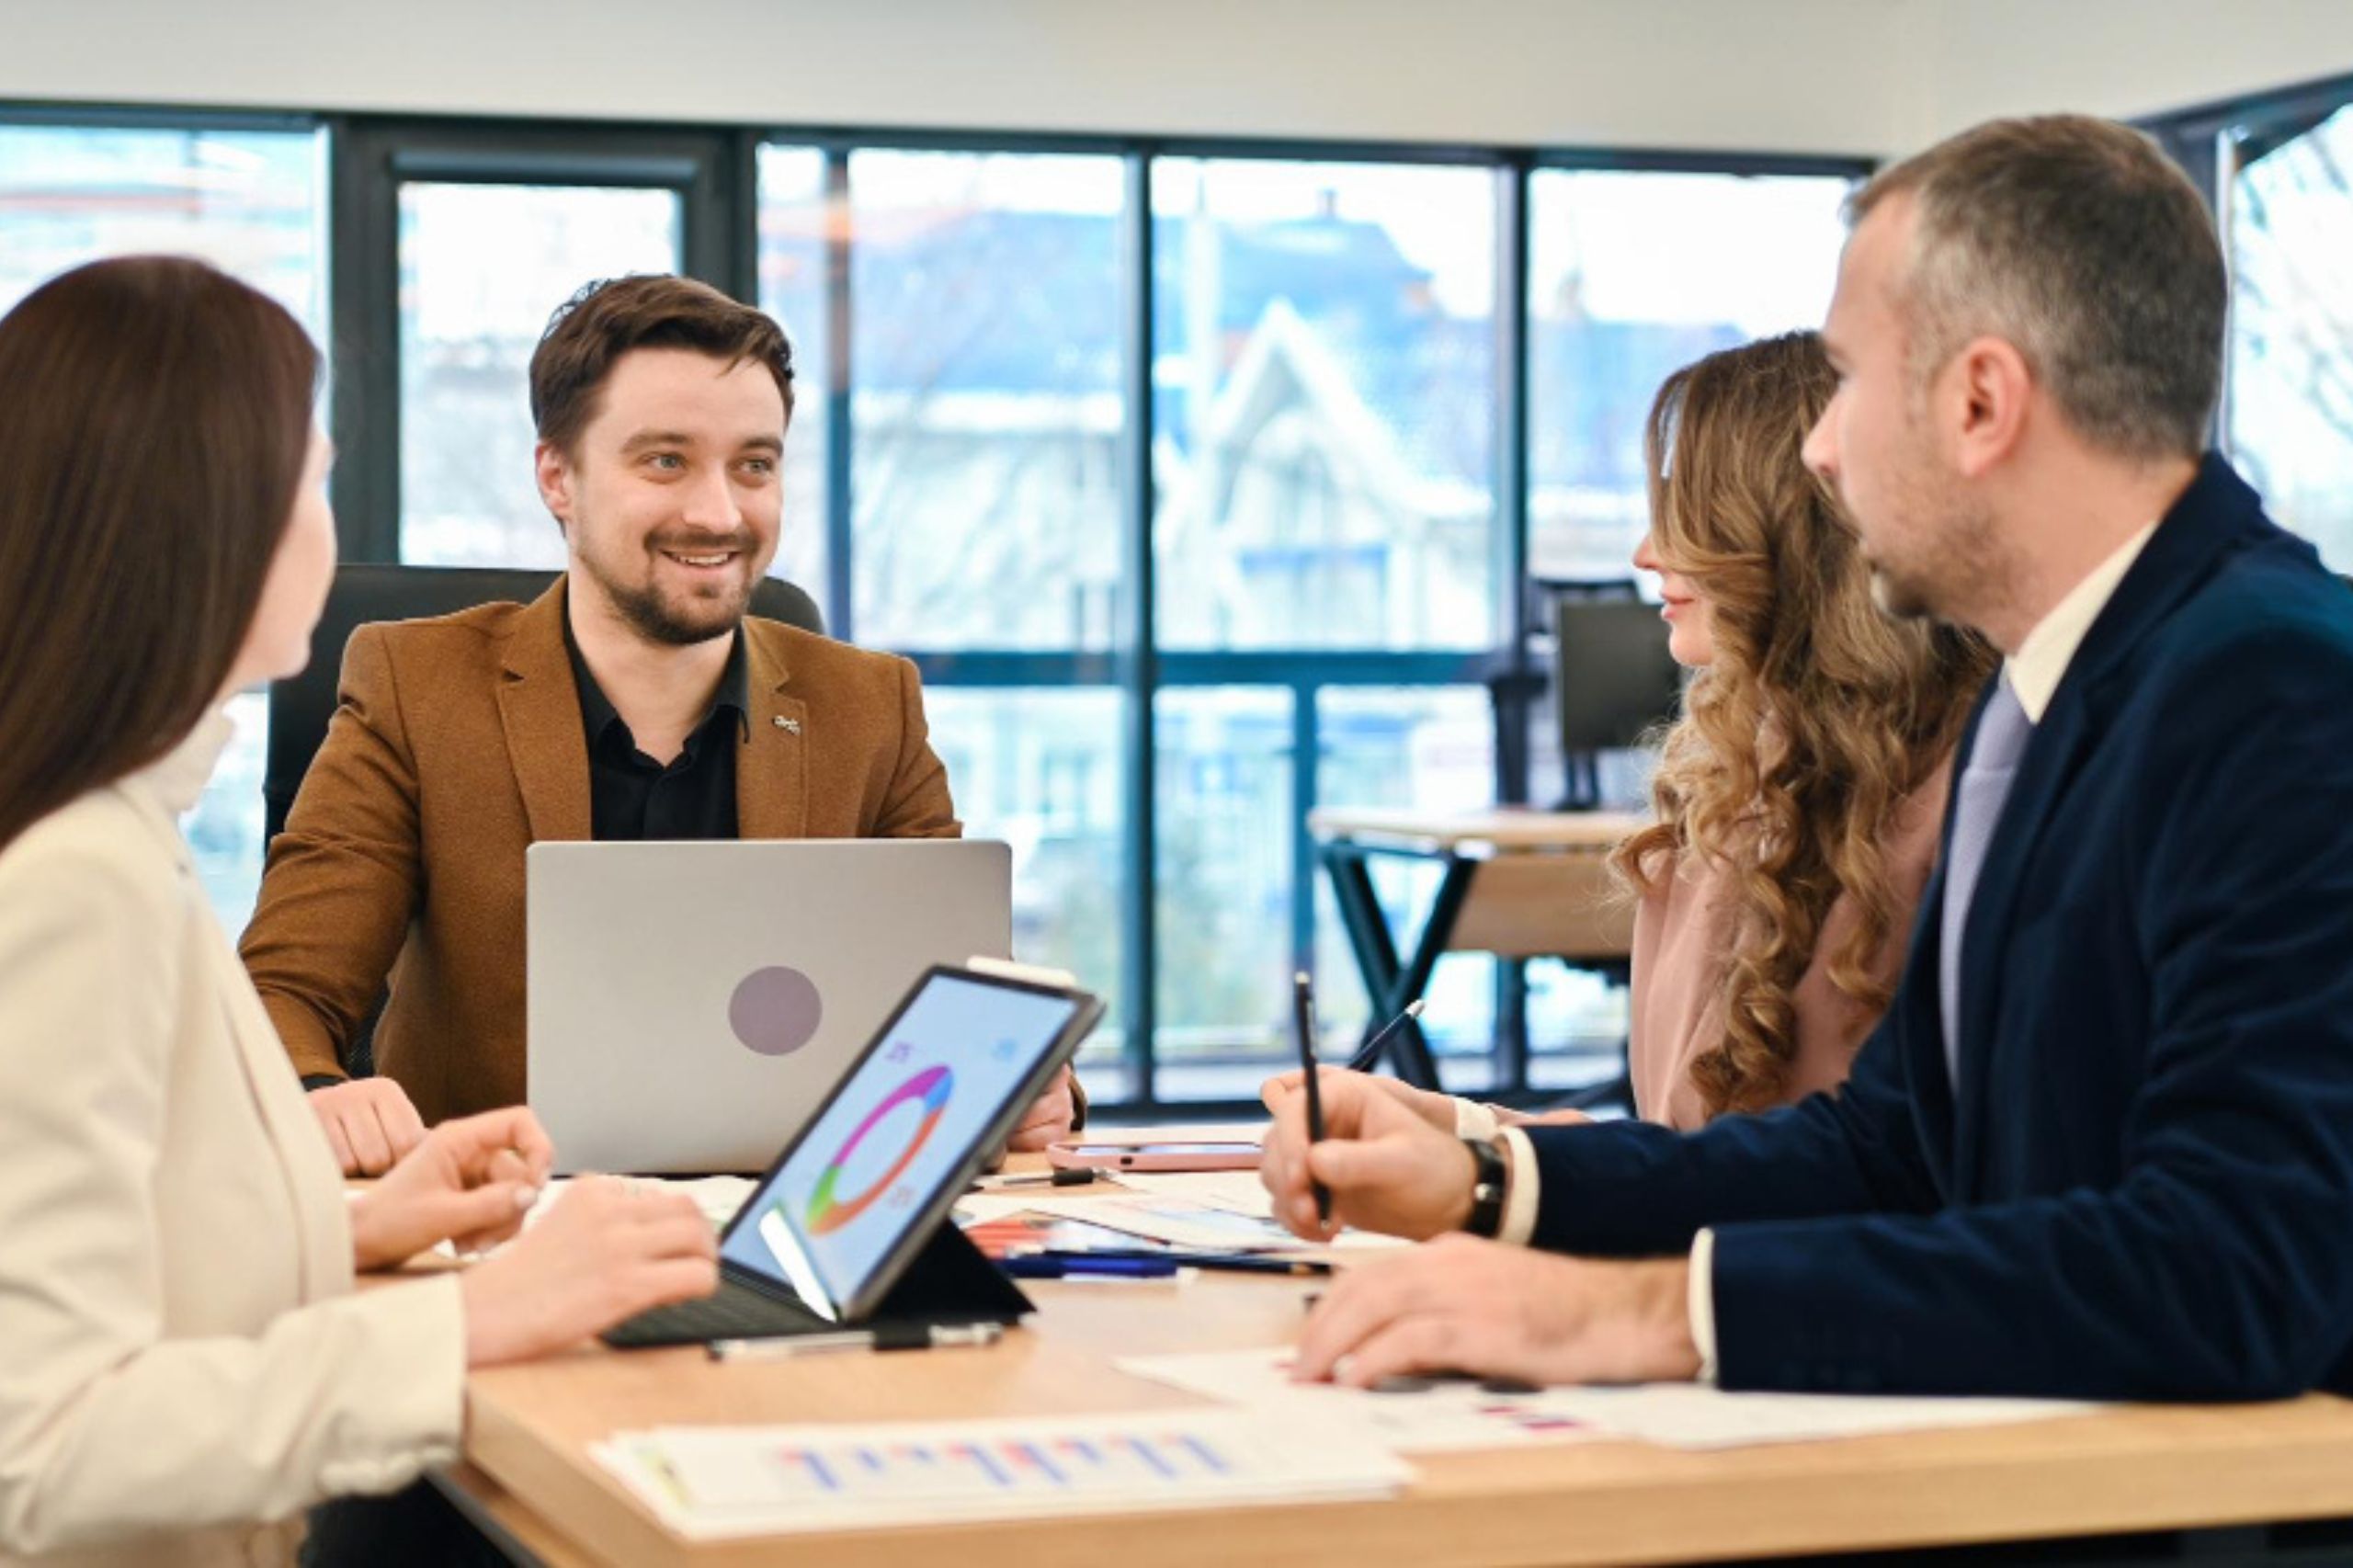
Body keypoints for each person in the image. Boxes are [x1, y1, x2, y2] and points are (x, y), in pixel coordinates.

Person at [1259, 115, 2353, 1402]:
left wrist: (1647, 1317)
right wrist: (1495, 1180)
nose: (1821, 449)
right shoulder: (2048, 685)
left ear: (1981, 401)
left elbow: (2239, 1264)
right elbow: (1892, 1152)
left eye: (1845, 380)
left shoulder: (2277, 687)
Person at [0, 256, 720, 1566]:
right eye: (313, 481)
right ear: (210, 523)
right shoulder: (76, 880)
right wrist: (472, 1320)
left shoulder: (114, 835)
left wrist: (349, 1221)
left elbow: (111, 1262)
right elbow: (38, 1448)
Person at [239, 275, 1080, 1174]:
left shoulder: (869, 708)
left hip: (793, 1236)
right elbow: (279, 995)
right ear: (557, 476)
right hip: (507, 1236)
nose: (720, 512)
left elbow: (962, 1014)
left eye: (754, 464)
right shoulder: (418, 686)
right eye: (666, 461)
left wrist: (1028, 1087)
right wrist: (320, 1096)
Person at [1271, 331, 1994, 1146]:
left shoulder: (1968, 796)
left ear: (1791, 526)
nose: (1647, 554)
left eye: (1691, 514)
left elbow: (1803, 1182)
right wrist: (1459, 1128)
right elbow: (1682, 1160)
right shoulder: (1722, 791)